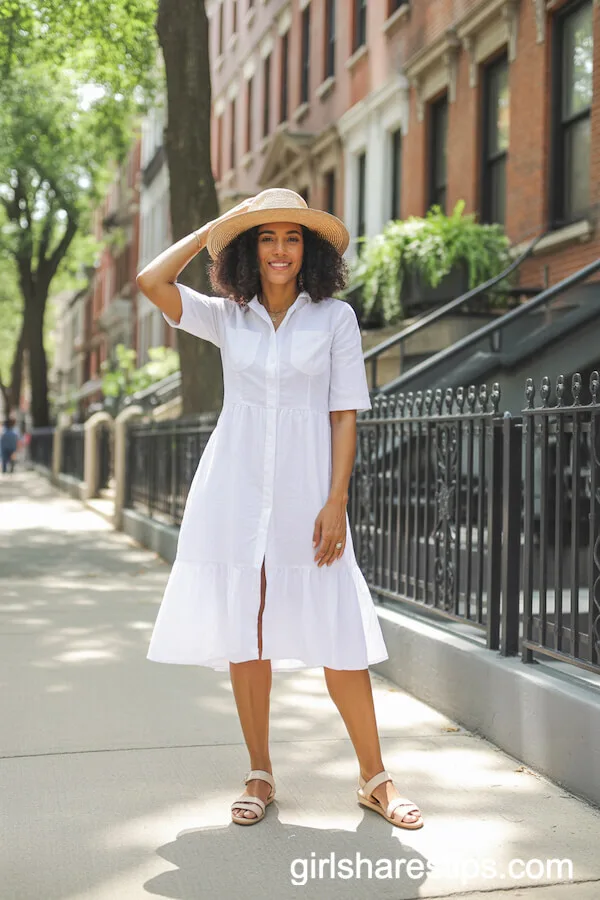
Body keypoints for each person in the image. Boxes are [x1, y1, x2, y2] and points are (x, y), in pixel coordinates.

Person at [136, 188, 424, 830]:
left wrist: (336, 500)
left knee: (338, 631)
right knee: (248, 627)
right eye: (266, 237)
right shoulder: (227, 317)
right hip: (234, 492)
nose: (280, 250)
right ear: (249, 249)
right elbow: (151, 281)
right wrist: (215, 227)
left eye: (292, 238)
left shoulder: (335, 319)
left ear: (309, 250)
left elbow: (343, 415)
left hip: (307, 491)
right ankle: (260, 772)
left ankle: (375, 778)